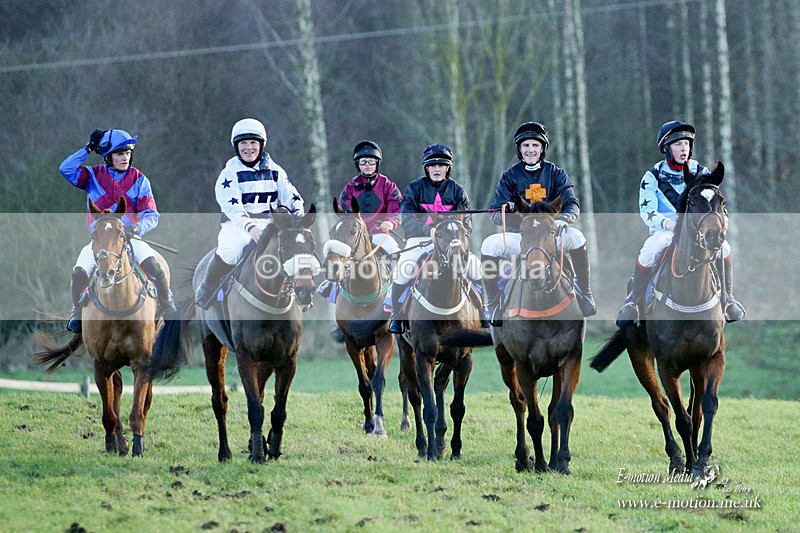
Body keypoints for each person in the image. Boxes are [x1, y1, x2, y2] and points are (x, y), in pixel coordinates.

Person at [615, 120, 745, 327]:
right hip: (665, 231)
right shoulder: (652, 176)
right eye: (678, 144)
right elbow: (647, 211)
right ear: (666, 148)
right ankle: (632, 302)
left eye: (686, 143)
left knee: (725, 247)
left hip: (697, 231)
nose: (684, 148)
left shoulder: (699, 171)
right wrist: (669, 225)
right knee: (650, 250)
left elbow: (715, 202)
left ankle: (728, 299)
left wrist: (723, 222)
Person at [59, 128, 175, 333]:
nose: (125, 158)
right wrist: (88, 148)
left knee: (154, 266)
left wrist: (136, 228)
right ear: (108, 156)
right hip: (101, 241)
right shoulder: (92, 176)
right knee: (78, 274)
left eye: (128, 153)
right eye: (120, 153)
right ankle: (77, 313)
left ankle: (168, 306)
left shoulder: (140, 180)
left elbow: (152, 215)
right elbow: (66, 169)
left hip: (130, 238)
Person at [480, 121, 596, 325]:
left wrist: (563, 219)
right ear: (519, 149)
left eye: (535, 145)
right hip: (521, 237)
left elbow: (572, 204)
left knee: (578, 237)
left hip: (552, 235)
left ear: (542, 148)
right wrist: (505, 209)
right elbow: (495, 215)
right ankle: (492, 303)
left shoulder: (556, 174)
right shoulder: (509, 177)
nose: (530, 150)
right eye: (526, 145)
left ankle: (585, 293)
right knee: (489, 244)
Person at [195, 118, 305, 308]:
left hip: (270, 223)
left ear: (261, 145)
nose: (248, 148)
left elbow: (292, 196)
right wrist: (251, 227)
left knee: (293, 246)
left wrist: (297, 219)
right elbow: (232, 206)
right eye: (243, 143)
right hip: (237, 225)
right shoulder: (229, 173)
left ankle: (301, 292)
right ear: (236, 146)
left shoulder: (275, 171)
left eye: (253, 143)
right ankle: (207, 286)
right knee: (231, 249)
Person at [387, 143, 480, 334]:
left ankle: (484, 312)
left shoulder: (458, 191)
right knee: (403, 270)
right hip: (420, 241)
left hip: (452, 243)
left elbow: (467, 224)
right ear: (426, 168)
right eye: (433, 165)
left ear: (448, 168)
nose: (437, 169)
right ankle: (397, 317)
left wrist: (455, 236)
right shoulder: (414, 188)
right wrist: (427, 230)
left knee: (478, 269)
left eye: (441, 165)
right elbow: (406, 219)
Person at [318, 140, 402, 297]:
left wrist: (390, 222)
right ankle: (332, 284)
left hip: (379, 234)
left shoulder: (388, 185)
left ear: (377, 163)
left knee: (395, 251)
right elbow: (343, 211)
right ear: (358, 165)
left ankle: (396, 290)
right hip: (354, 236)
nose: (368, 165)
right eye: (363, 162)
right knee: (338, 253)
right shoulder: (351, 186)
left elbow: (398, 207)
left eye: (371, 161)